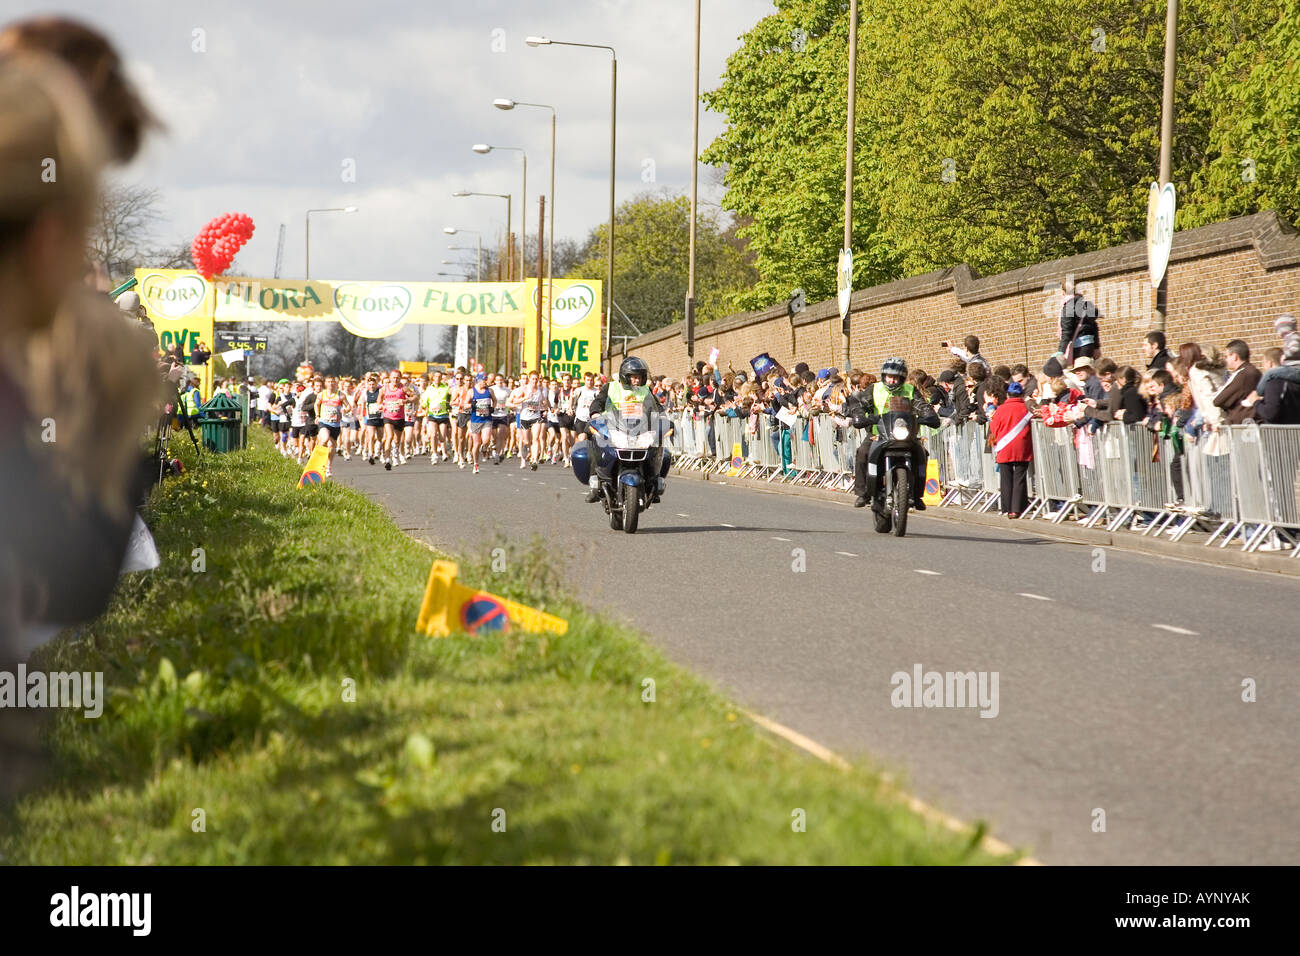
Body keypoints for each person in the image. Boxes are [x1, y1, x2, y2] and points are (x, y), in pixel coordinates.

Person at [848, 357, 939, 513]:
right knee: (863, 452)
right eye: (889, 376)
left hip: (905, 435)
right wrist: (860, 415)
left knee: (922, 453)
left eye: (895, 377)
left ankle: (917, 495)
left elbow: (922, 406)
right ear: (884, 376)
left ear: (902, 377)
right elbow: (858, 403)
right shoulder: (875, 389)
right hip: (879, 435)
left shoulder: (910, 390)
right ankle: (863, 493)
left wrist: (928, 415)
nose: (891, 380)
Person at [583, 355, 672, 504]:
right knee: (594, 445)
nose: (637, 380)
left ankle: (653, 483)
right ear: (625, 376)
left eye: (639, 377)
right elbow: (598, 401)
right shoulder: (610, 387)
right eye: (634, 377)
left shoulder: (645, 390)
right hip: (614, 427)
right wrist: (595, 413)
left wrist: (662, 416)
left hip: (640, 429)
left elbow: (656, 406)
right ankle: (595, 484)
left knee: (662, 452)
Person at [988, 380, 1033, 518]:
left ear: (1008, 395)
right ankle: (1017, 508)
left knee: (1006, 478)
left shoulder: (1000, 409)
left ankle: (1006, 508)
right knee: (1019, 478)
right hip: (1022, 446)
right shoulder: (1026, 408)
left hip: (1004, 447)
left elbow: (994, 428)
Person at [1212, 339, 1262, 425]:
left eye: (1226, 356)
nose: (1225, 359)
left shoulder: (1242, 374)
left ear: (1235, 356)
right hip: (1253, 421)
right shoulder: (1256, 371)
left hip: (1244, 425)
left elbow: (1218, 399)